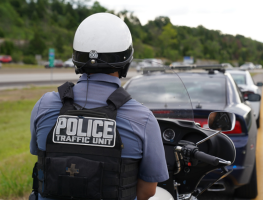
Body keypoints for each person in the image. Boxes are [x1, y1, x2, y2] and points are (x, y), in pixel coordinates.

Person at [30, 13, 168, 200]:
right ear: (125, 61)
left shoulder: (43, 106)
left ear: (77, 57)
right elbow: (148, 191)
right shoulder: (142, 119)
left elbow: (40, 159)